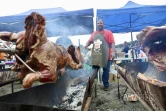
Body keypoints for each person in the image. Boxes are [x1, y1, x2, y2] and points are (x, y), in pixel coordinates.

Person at [85, 19, 115, 91]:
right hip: (96, 55)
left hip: (106, 55)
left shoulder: (108, 33)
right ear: (97, 25)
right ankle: (91, 84)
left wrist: (113, 52)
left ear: (103, 24)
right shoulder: (94, 33)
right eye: (98, 23)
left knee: (106, 71)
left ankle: (106, 85)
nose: (99, 24)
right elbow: (89, 41)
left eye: (101, 23)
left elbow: (113, 43)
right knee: (94, 71)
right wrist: (86, 46)